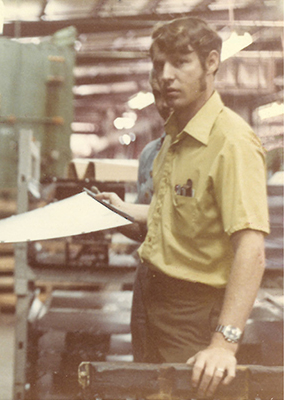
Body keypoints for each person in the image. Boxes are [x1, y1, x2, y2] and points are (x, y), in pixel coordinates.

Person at [96, 17, 269, 398]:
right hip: (151, 299)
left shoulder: (232, 143)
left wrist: (224, 343)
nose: (166, 76)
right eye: (158, 65)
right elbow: (171, 216)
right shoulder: (174, 136)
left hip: (193, 313)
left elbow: (251, 250)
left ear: (211, 63)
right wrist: (120, 211)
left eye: (180, 62)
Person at [125, 72, 171, 362]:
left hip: (184, 284)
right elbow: (144, 227)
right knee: (144, 362)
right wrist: (110, 215)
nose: (166, 105)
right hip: (147, 276)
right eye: (159, 98)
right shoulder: (150, 154)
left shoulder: (209, 149)